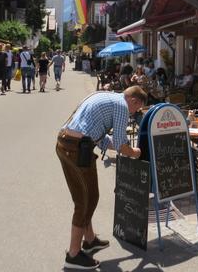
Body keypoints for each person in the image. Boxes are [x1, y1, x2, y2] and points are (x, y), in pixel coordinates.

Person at [56, 86, 146, 270]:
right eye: (136, 110)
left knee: (85, 196)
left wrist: (120, 146)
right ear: (134, 101)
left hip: (65, 143)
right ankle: (73, 255)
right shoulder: (122, 106)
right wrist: (135, 153)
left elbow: (101, 136)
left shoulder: (105, 96)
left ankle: (89, 240)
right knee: (86, 200)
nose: (133, 113)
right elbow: (121, 144)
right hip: (77, 149)